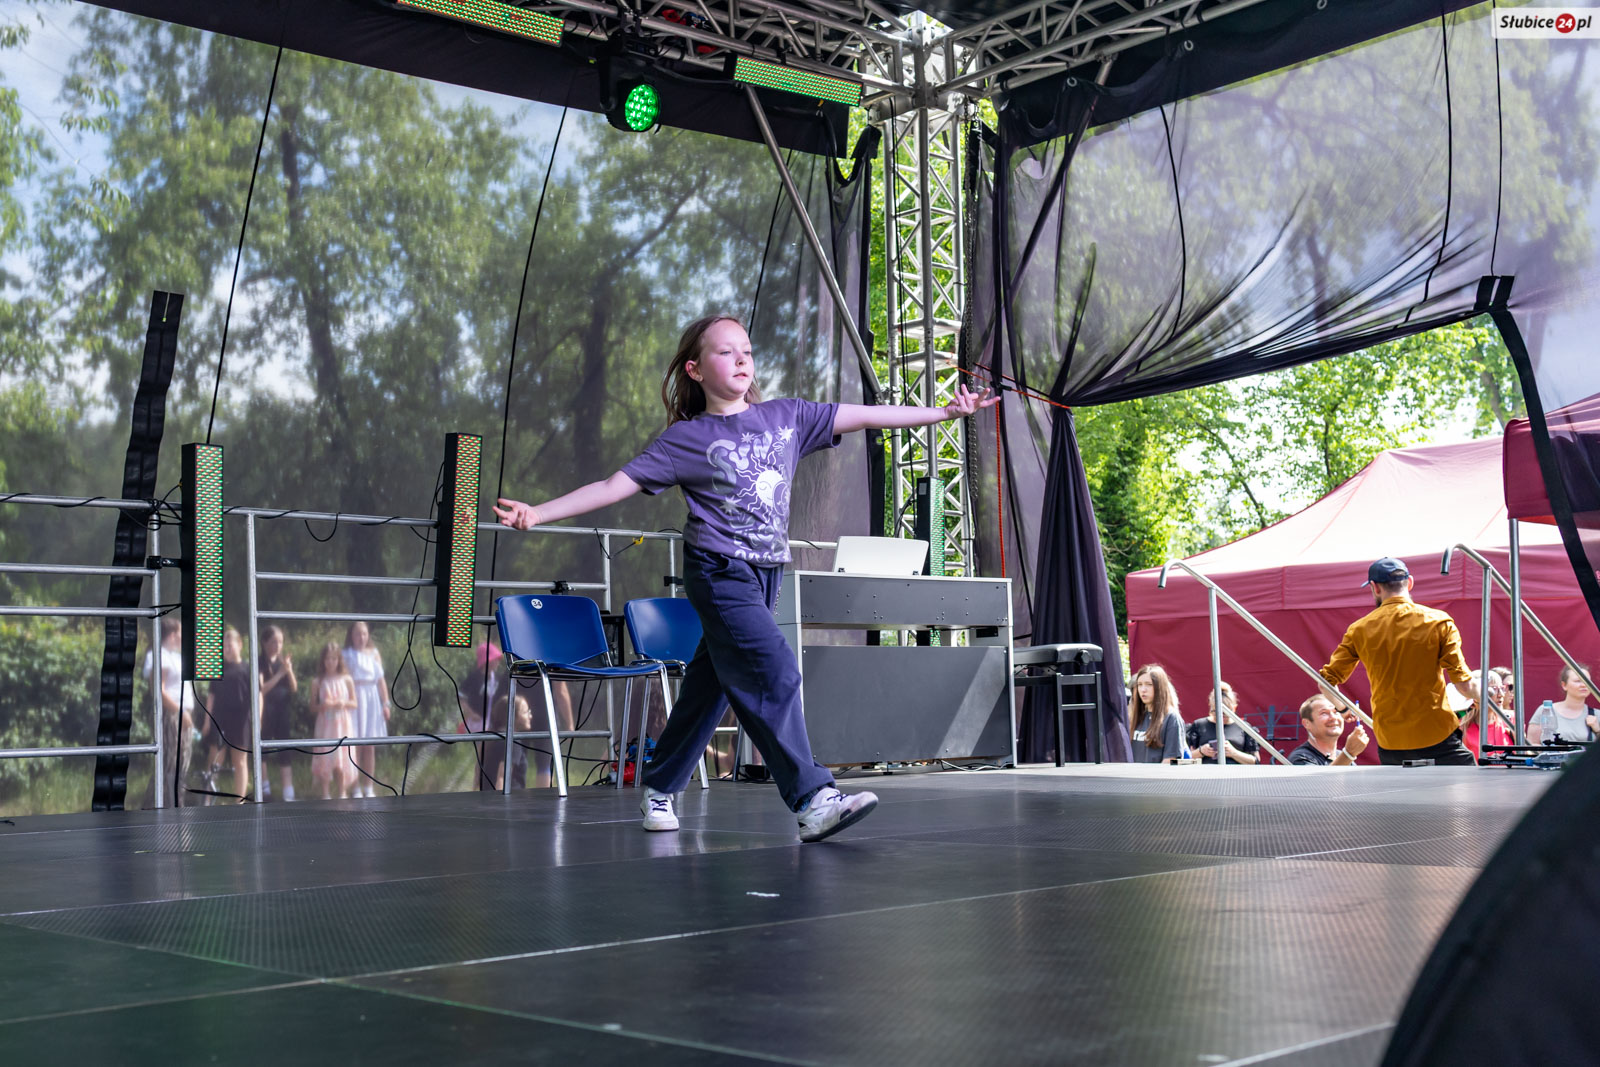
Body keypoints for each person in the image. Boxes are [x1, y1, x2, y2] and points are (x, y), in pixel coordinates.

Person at [494, 314, 998, 841]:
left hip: (766, 573)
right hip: (718, 571)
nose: (741, 360)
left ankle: (659, 785)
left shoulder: (787, 416)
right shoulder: (685, 439)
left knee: (709, 688)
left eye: (747, 352)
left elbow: (869, 415)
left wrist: (944, 412)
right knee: (774, 669)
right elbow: (611, 486)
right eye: (725, 352)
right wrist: (538, 512)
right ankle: (812, 798)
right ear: (695, 370)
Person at [1318, 557, 1480, 766]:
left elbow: (1325, 682)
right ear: (1410, 583)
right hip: (1436, 735)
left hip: (1390, 742)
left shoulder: (1359, 629)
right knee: (1472, 784)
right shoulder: (1438, 622)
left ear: (1375, 588)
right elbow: (1465, 686)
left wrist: (1343, 709)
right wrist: (1486, 697)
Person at [142, 617, 196, 806]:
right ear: (173, 634)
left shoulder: (175, 656)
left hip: (182, 715)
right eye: (180, 632)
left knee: (181, 763)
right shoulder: (160, 655)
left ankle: (173, 803)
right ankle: (162, 806)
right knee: (170, 763)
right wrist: (181, 712)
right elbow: (159, 690)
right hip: (171, 715)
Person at [203, 626, 255, 800]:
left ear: (240, 644)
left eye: (229, 645)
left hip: (241, 720)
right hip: (219, 719)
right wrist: (206, 721)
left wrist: (258, 719)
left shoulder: (248, 668)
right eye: (224, 647)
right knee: (215, 759)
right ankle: (207, 799)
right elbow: (211, 695)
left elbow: (258, 695)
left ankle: (239, 801)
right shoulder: (217, 668)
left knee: (240, 761)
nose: (226, 649)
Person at [342, 621, 389, 798]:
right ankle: (355, 788)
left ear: (368, 635)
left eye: (364, 633)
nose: (361, 637)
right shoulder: (346, 654)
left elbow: (381, 681)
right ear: (351, 635)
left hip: (372, 700)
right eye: (357, 634)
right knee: (355, 746)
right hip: (355, 699)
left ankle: (368, 787)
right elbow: (343, 680)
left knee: (369, 746)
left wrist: (386, 703)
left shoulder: (374, 653)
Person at [310, 641, 358, 800]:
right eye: (327, 659)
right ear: (323, 660)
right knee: (325, 755)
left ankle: (342, 792)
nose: (330, 662)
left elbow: (354, 703)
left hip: (342, 724)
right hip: (325, 724)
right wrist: (323, 705)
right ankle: (325, 793)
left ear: (339, 660)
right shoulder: (317, 681)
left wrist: (343, 703)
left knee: (341, 757)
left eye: (333, 659)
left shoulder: (346, 679)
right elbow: (312, 707)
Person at [259, 625, 298, 802]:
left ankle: (288, 792)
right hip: (265, 710)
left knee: (285, 749)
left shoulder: (283, 662)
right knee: (263, 749)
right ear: (265, 642)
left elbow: (294, 688)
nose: (278, 645)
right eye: (274, 641)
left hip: (283, 710)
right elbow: (262, 689)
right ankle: (264, 788)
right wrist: (280, 674)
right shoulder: (260, 662)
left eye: (281, 642)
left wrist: (288, 671)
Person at [1186, 680, 1260, 765]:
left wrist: (1233, 753)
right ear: (1210, 708)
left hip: (1235, 771)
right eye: (1216, 712)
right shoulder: (1199, 725)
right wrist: (1201, 751)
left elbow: (1255, 761)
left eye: (1225, 713)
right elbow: (1183, 759)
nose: (1221, 717)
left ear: (1234, 708)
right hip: (1206, 771)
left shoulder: (1243, 727)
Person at [1288, 694, 1371, 766]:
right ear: (1307, 723)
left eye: (1336, 712)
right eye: (1324, 713)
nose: (1333, 717)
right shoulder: (1300, 758)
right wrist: (1348, 754)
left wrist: (1348, 755)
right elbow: (1322, 780)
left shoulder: (1342, 756)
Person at [1126, 664, 1185, 765]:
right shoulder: (1136, 716)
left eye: (1149, 684)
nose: (1143, 689)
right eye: (1140, 684)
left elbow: (1171, 760)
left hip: (1157, 775)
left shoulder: (1171, 718)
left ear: (1159, 687)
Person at [1526, 665, 1600, 744]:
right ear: (1564, 685)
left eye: (1587, 681)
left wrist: (1598, 730)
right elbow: (1532, 745)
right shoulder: (1545, 710)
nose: (1584, 685)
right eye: (1578, 681)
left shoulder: (1597, 715)